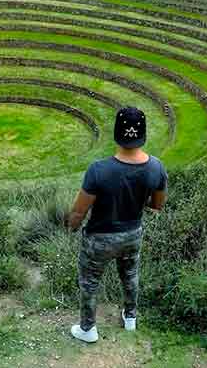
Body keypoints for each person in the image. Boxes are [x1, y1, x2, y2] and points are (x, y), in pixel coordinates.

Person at [66, 106, 168, 343]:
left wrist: (71, 227)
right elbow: (158, 205)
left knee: (90, 281)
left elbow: (79, 211)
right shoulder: (156, 167)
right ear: (143, 134)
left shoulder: (98, 170)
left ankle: (88, 328)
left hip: (99, 237)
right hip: (133, 233)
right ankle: (130, 317)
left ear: (116, 133)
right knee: (130, 274)